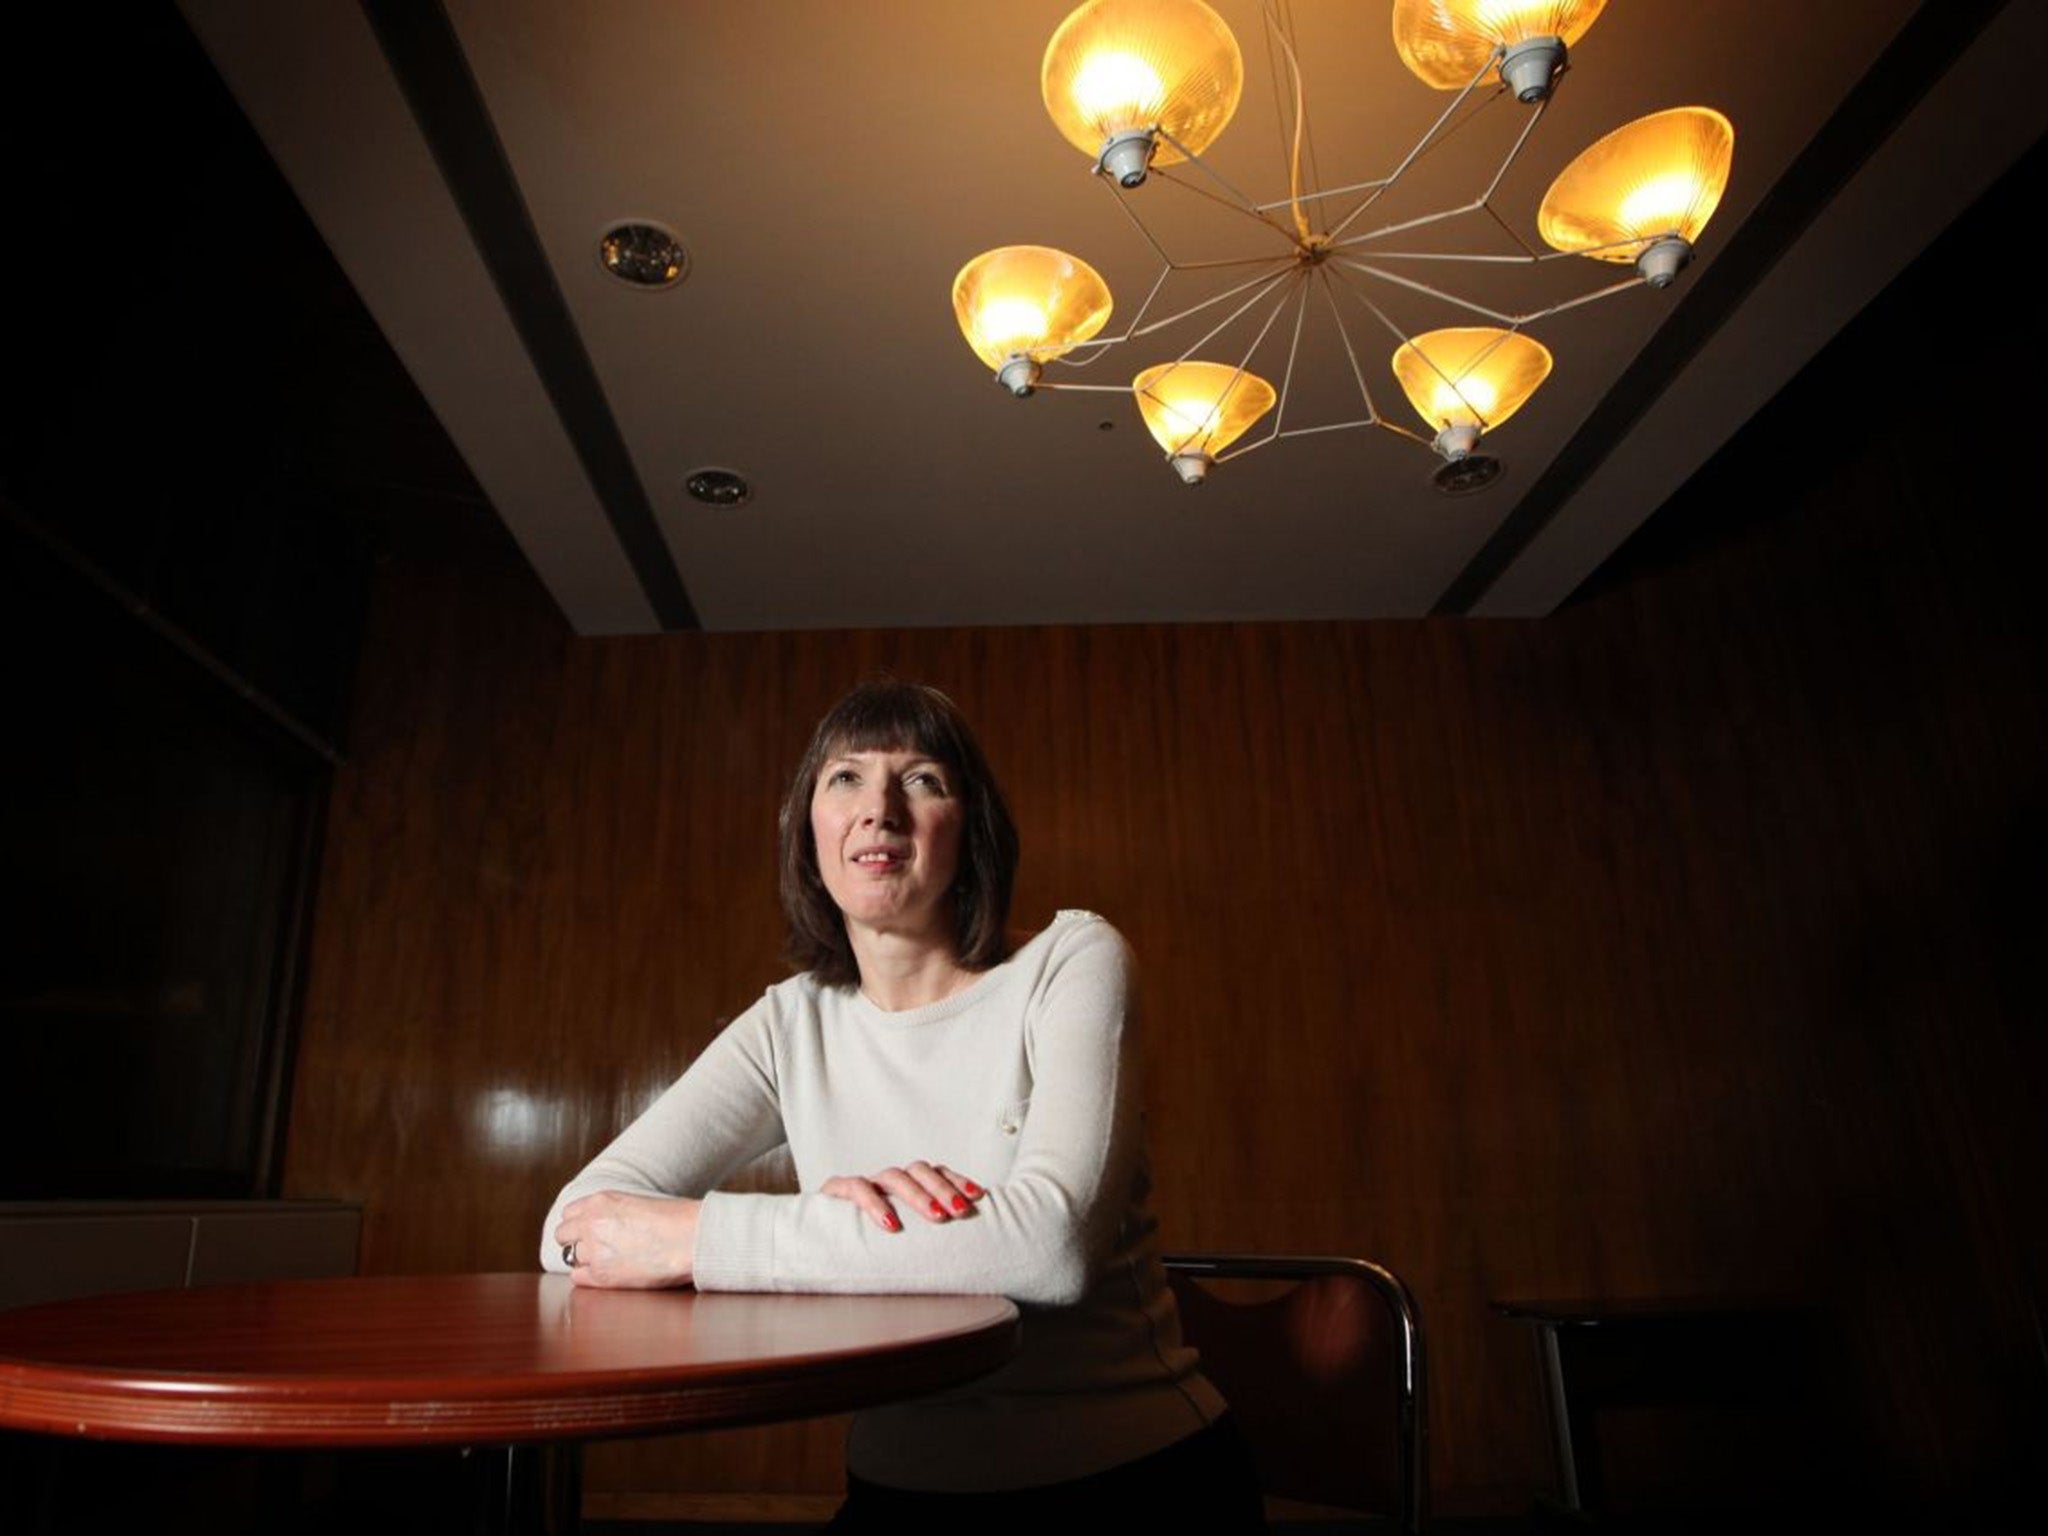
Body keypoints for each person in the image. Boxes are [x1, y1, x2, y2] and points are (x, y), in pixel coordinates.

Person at [542, 680, 1262, 1528]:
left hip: (1131, 1480)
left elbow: (1051, 1246)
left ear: (972, 828)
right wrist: (825, 1221)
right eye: (845, 778)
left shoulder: (1072, 961)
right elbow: (571, 1227)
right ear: (808, 835)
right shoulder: (789, 1022)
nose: (878, 808)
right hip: (897, 1495)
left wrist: (708, 1237)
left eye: (922, 779)